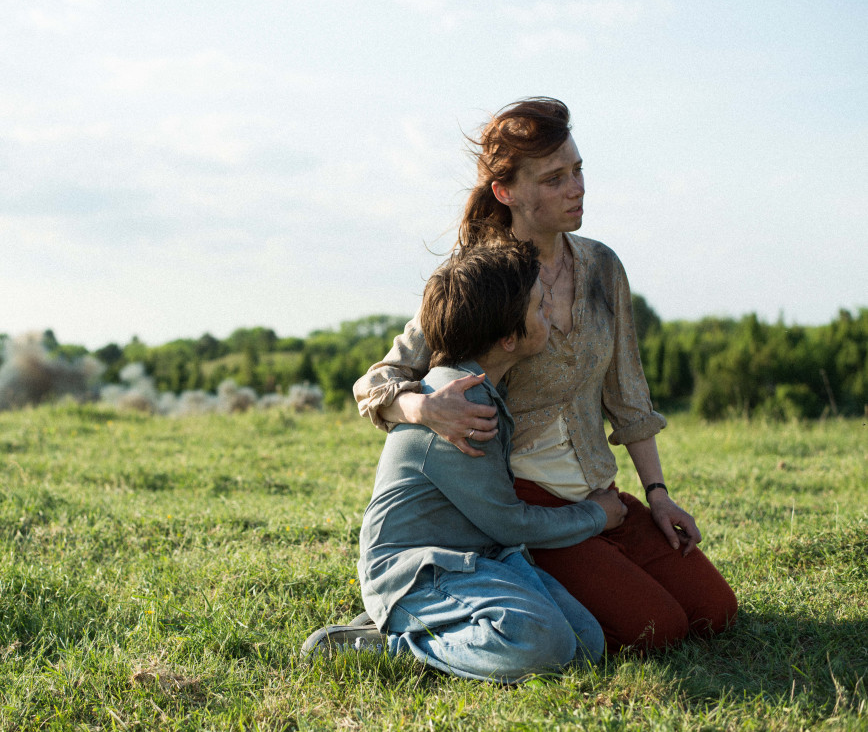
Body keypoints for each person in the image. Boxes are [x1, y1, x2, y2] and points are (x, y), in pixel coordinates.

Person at [353, 98, 736, 653]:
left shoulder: (603, 266)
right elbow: (378, 380)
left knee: (714, 613)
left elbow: (628, 395)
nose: (576, 188)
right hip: (524, 506)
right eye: (555, 178)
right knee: (657, 630)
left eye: (578, 170)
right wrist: (423, 407)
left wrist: (656, 493)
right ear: (506, 192)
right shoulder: (477, 279)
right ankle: (468, 609)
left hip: (598, 490)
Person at [302, 242, 630, 683]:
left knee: (585, 642)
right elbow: (510, 524)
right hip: (414, 570)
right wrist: (596, 514)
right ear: (509, 339)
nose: (550, 310)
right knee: (544, 646)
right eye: (539, 305)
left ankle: (433, 625)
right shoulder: (462, 404)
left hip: (479, 559)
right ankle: (397, 644)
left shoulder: (477, 387)